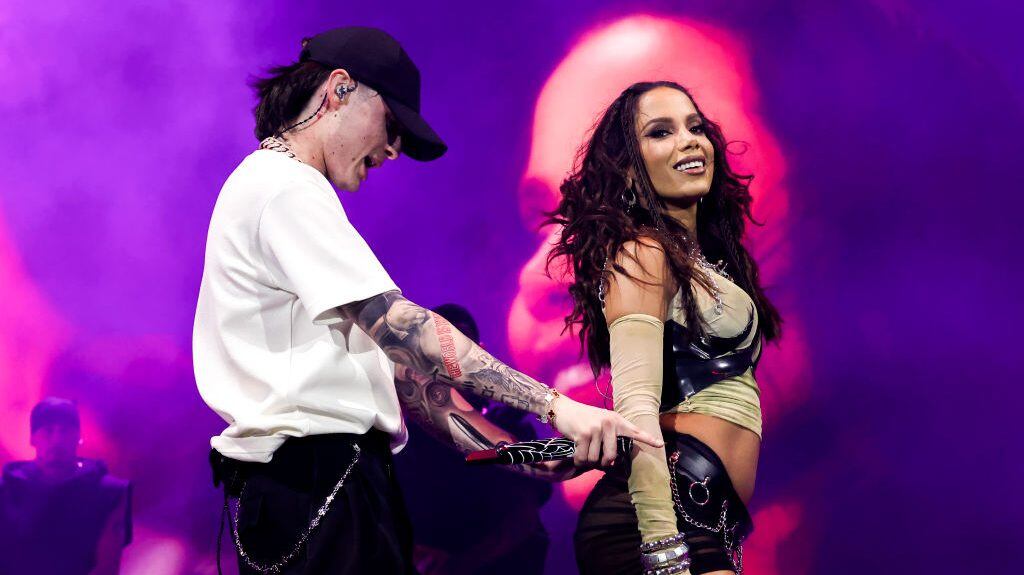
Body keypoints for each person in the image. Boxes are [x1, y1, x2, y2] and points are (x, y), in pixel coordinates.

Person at [193, 26, 661, 575]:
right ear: (338, 90)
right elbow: (401, 327)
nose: (392, 150)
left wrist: (534, 458)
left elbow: (410, 383)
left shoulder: (281, 192)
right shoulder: (283, 187)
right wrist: (560, 407)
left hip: (325, 486)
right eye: (391, 125)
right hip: (314, 484)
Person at [546, 81, 783, 574]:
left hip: (709, 521)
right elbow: (636, 412)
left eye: (696, 127)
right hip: (655, 520)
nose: (690, 140)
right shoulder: (643, 253)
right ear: (631, 171)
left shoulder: (705, 261)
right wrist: (663, 549)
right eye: (661, 132)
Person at [395, 304, 555, 575]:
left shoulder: (506, 426)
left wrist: (456, 567)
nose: (449, 356)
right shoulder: (407, 441)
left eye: (461, 343)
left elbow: (521, 521)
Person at [0, 397, 132, 575]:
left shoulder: (108, 494)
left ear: (78, 437)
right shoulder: (7, 491)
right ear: (33, 438)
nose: (57, 440)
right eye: (48, 431)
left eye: (65, 431)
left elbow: (107, 566)